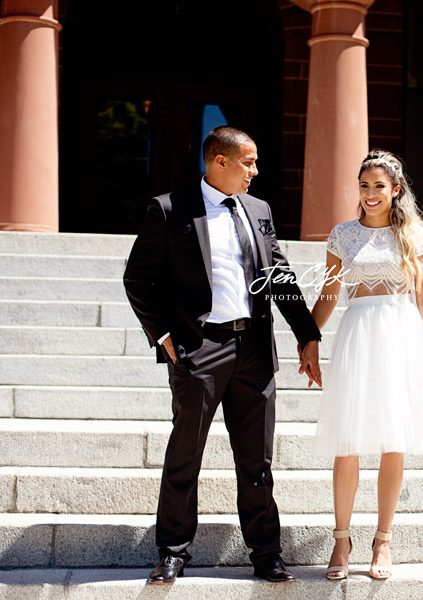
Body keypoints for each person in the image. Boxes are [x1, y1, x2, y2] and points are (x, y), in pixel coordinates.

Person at [123, 126, 322, 584]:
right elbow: (138, 278)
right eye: (248, 162)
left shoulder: (259, 209)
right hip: (200, 348)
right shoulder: (170, 208)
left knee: (257, 459)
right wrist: (165, 336)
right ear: (219, 161)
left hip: (254, 347)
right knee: (185, 453)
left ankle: (266, 554)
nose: (255, 171)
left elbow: (278, 273)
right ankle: (173, 551)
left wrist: (307, 335)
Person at [309, 149, 423, 581]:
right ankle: (341, 541)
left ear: (396, 190)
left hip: (401, 336)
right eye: (364, 186)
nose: (370, 194)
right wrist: (309, 341)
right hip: (358, 335)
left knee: (395, 440)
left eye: (379, 186)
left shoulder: (414, 235)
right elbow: (329, 295)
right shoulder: (342, 235)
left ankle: (382, 540)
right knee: (348, 442)